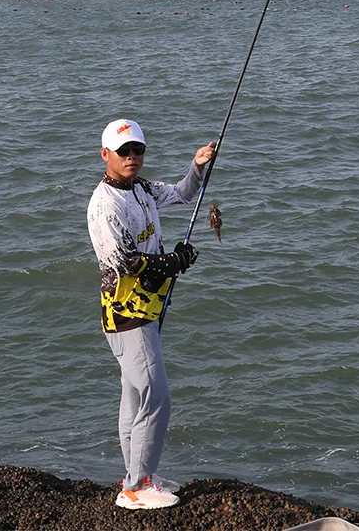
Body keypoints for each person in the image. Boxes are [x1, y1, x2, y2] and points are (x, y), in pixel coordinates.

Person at [86, 117, 216, 510]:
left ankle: (137, 474)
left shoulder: (141, 189)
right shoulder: (104, 205)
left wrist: (197, 166)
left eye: (137, 150)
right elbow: (126, 263)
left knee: (134, 398)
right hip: (127, 315)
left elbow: (181, 194)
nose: (132, 157)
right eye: (123, 151)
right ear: (105, 154)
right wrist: (175, 262)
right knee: (155, 398)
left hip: (149, 308)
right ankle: (137, 487)